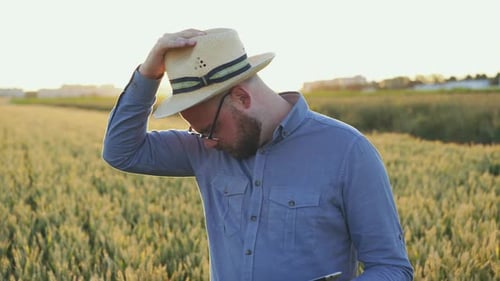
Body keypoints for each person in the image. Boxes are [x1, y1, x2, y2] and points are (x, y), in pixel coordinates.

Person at [102, 28, 413, 281]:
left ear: (241, 97)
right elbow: (122, 151)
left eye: (210, 128)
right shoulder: (205, 148)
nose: (206, 142)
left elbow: (392, 268)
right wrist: (149, 72)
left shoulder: (348, 151)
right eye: (198, 133)